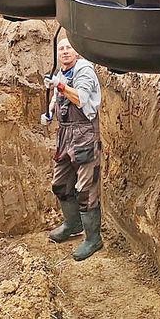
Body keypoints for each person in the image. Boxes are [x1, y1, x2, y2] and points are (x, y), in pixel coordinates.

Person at [46, 36, 103, 261]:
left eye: (69, 47)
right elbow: (58, 98)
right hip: (65, 134)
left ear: (77, 51)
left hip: (84, 134)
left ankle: (93, 239)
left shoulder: (85, 72)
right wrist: (50, 111)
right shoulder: (62, 73)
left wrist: (59, 86)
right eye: (61, 48)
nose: (65, 52)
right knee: (60, 184)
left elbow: (79, 99)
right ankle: (72, 224)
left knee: (86, 189)